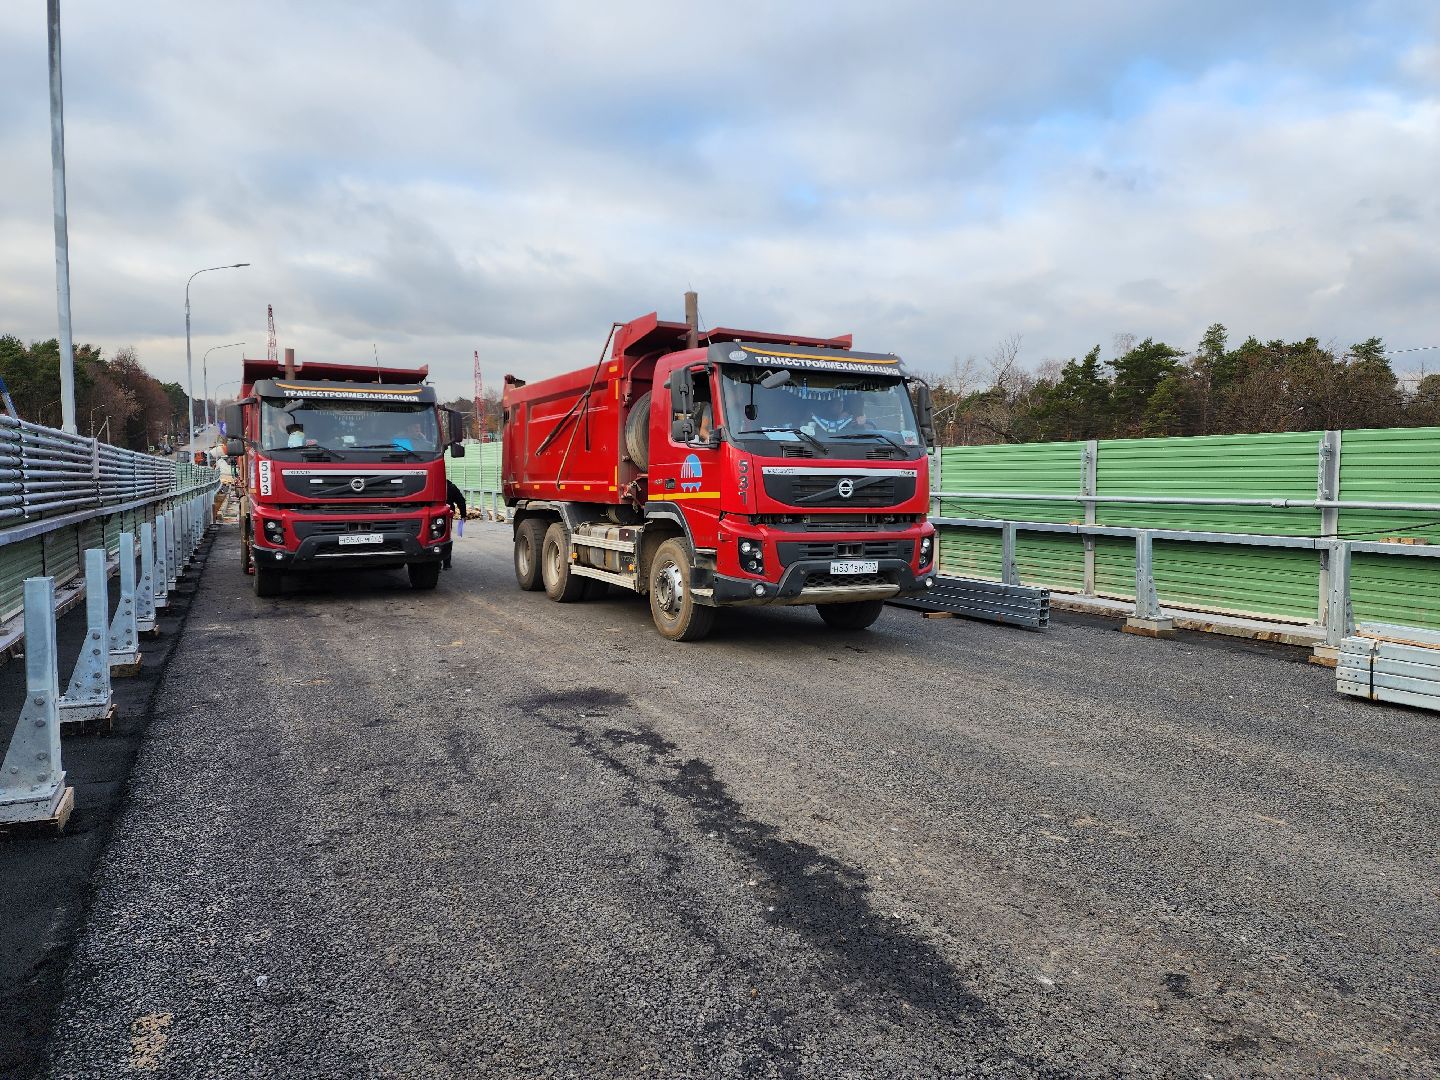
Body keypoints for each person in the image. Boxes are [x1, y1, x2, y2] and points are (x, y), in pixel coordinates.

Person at [442, 481, 466, 569]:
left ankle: (436, 565)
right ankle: (447, 563)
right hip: (447, 516)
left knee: (434, 539)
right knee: (446, 537)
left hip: (433, 516)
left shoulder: (432, 484)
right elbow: (461, 501)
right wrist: (463, 515)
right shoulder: (451, 486)